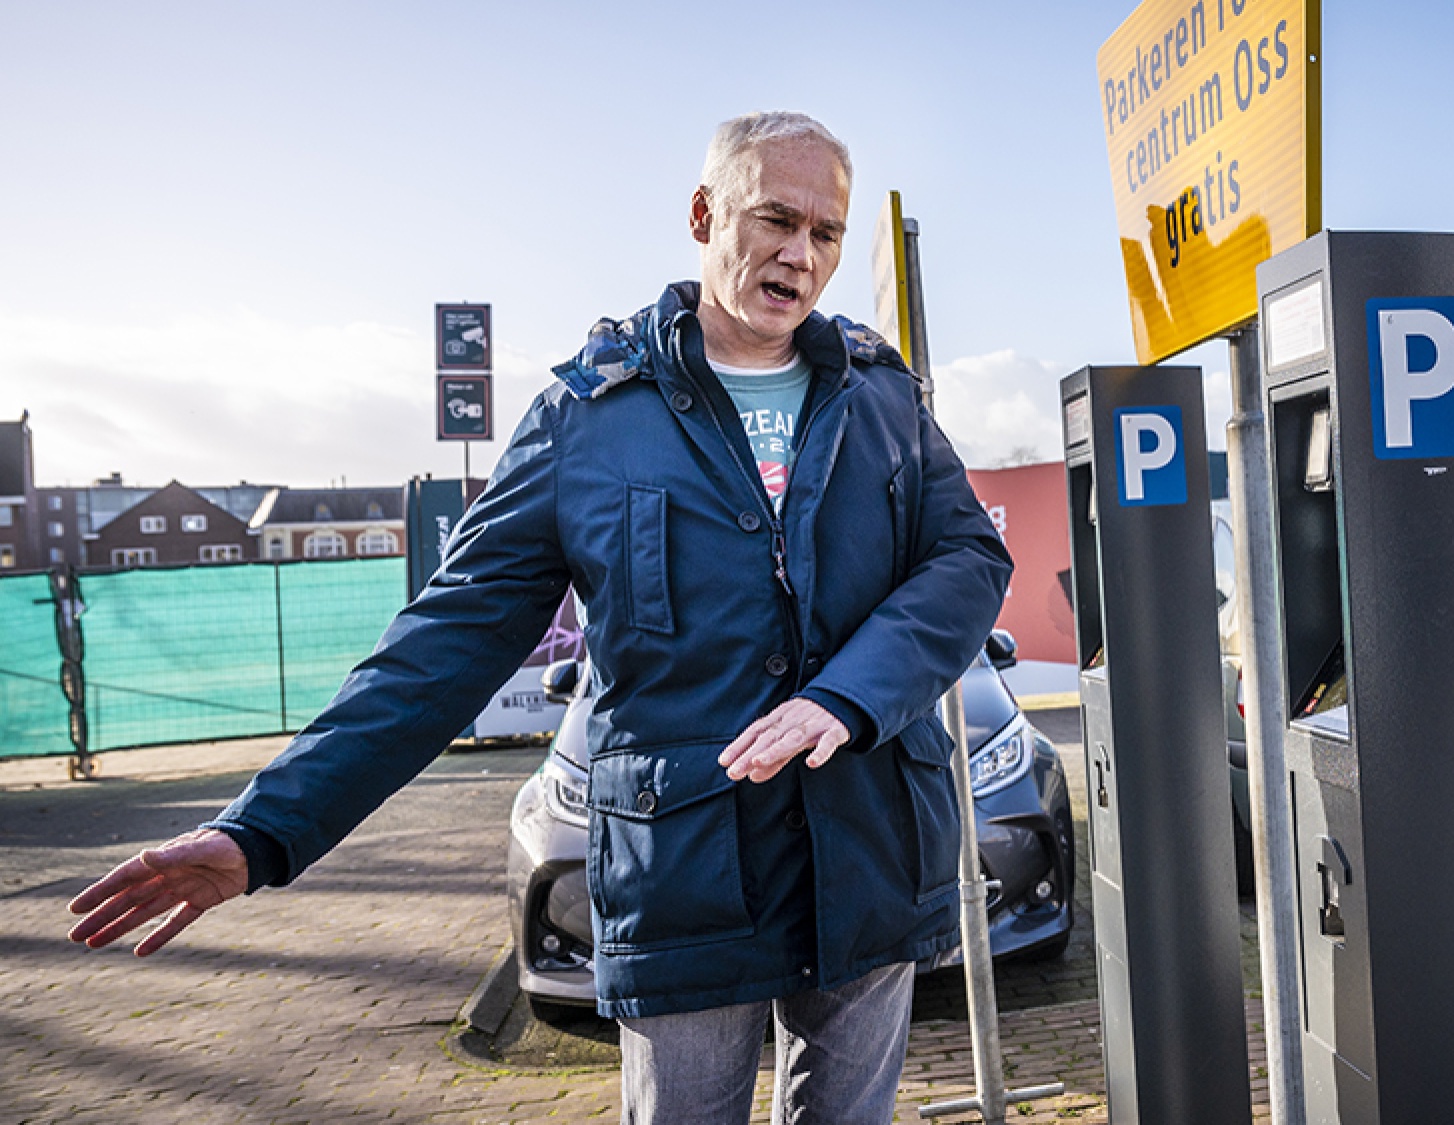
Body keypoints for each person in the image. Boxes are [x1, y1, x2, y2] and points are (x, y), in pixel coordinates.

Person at [66, 110, 1012, 1125]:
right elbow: (443, 646)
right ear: (703, 213)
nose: (800, 254)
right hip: (688, 872)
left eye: (826, 232)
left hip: (868, 845)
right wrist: (262, 831)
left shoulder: (882, 398)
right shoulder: (588, 418)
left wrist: (845, 698)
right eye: (775, 219)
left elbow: (966, 557)